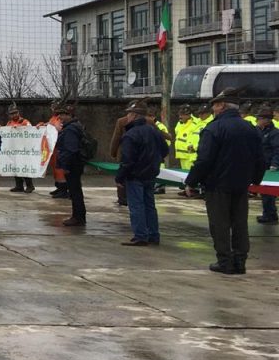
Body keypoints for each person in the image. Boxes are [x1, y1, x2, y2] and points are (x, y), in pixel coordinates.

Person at [185, 88, 266, 275]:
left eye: (214, 105)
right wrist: (255, 181)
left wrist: (191, 181)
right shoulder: (250, 128)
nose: (213, 109)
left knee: (219, 223)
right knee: (240, 223)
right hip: (241, 184)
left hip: (217, 185)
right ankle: (240, 261)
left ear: (221, 106)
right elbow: (260, 159)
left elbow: (204, 160)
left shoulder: (213, 129)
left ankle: (225, 261)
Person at [116, 102, 168, 246]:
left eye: (129, 114)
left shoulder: (131, 135)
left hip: (135, 175)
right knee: (149, 205)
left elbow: (127, 160)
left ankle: (140, 235)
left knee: (136, 205)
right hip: (150, 174)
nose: (127, 117)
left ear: (134, 116)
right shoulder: (154, 131)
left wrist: (120, 177)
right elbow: (165, 150)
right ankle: (153, 234)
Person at [56, 105, 88, 227]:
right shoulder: (75, 126)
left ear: (69, 115)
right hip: (76, 163)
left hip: (73, 164)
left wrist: (65, 166)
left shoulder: (70, 129)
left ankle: (78, 217)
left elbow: (70, 149)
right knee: (76, 191)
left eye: (63, 114)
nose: (60, 117)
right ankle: (79, 216)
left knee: (75, 191)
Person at [5, 104, 37, 193]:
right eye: (12, 114)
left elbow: (31, 132)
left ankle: (30, 185)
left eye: (15, 113)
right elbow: (6, 134)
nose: (14, 115)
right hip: (14, 149)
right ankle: (19, 186)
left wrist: (19, 129)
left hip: (23, 149)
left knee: (24, 167)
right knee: (16, 167)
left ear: (18, 112)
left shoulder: (25, 122)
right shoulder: (9, 123)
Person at [257, 106, 279, 224]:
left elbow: (277, 150)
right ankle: (268, 213)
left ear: (267, 120)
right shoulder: (259, 131)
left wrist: (274, 164)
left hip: (269, 166)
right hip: (261, 165)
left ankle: (270, 214)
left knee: (268, 193)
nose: (258, 121)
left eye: (260, 118)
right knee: (264, 192)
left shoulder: (274, 133)